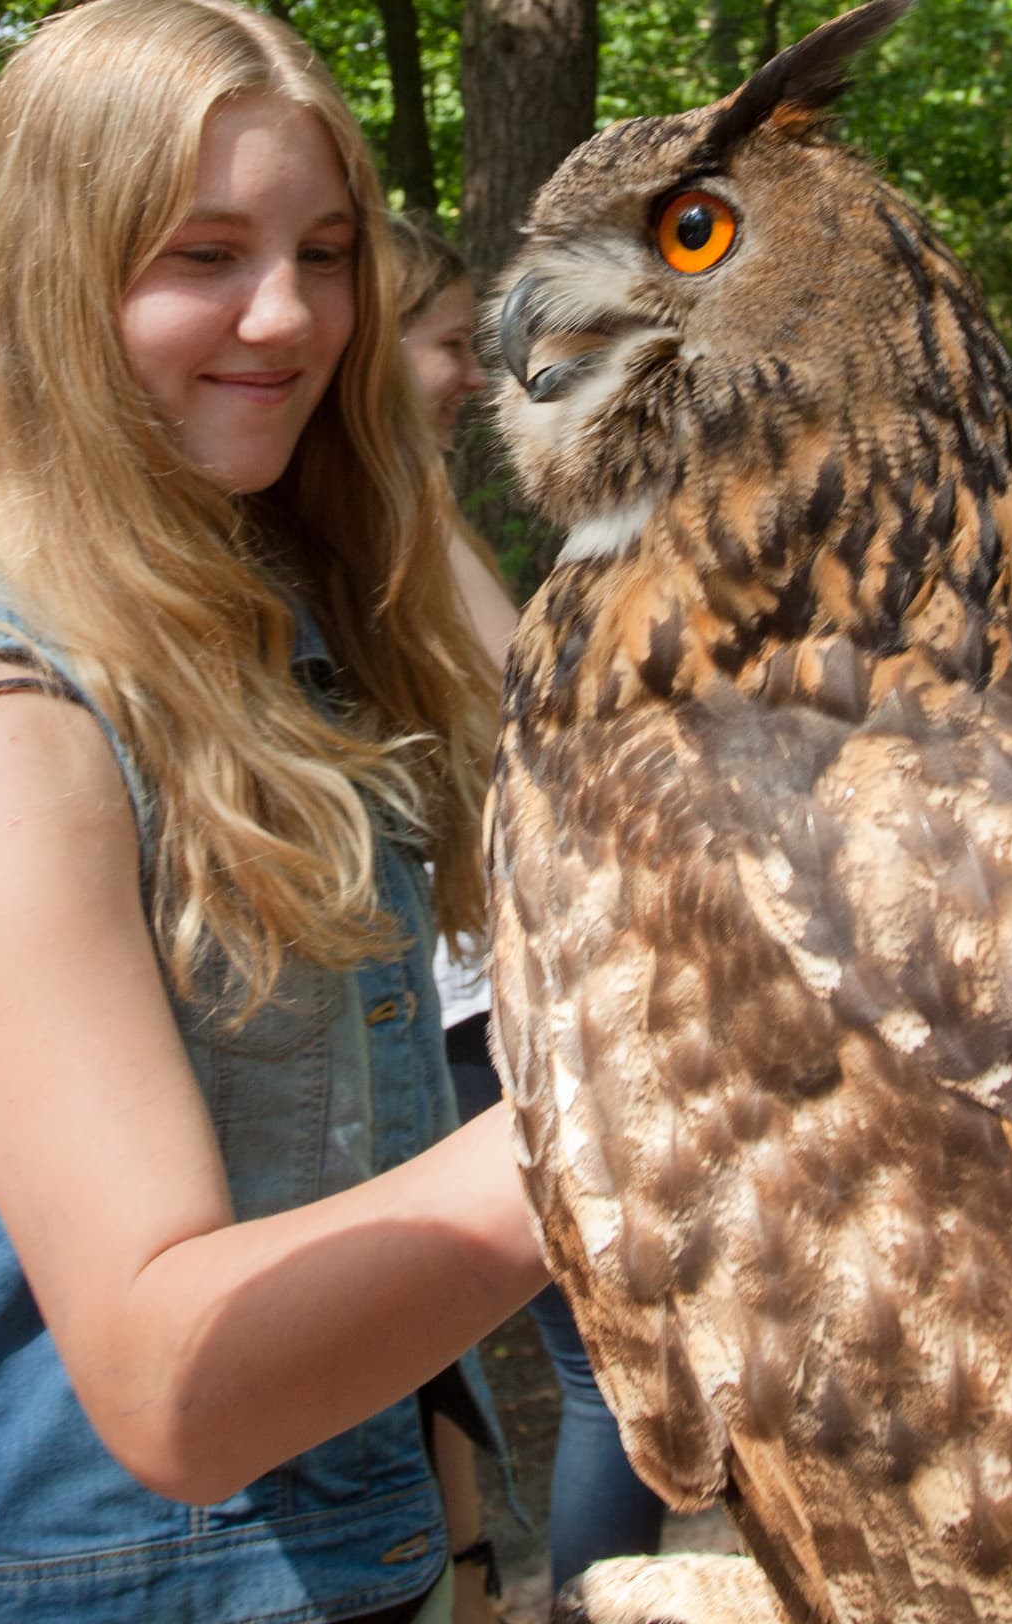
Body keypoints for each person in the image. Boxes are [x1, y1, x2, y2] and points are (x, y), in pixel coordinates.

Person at [0, 0, 548, 1624]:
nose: (287, 318)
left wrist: (458, 1521)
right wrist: (648, 1124)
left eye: (329, 252)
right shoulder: (0, 726)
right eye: (203, 256)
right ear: (55, 281)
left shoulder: (284, 625)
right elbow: (174, 1381)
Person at [388, 212, 674, 1606]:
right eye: (447, 343)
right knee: (608, 1364)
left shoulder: (404, 520)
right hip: (455, 1005)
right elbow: (536, 732)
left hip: (455, 991)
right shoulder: (392, 526)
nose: (469, 374)